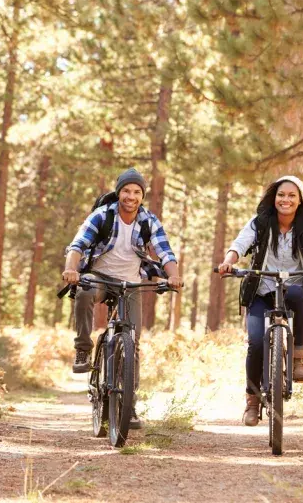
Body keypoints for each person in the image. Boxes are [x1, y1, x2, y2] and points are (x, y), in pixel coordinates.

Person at [62, 168, 183, 429]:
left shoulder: (148, 220)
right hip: (100, 277)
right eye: (127, 191)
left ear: (142, 196)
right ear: (119, 193)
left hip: (130, 283)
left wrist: (173, 276)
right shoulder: (102, 215)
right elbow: (78, 244)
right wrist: (72, 269)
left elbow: (165, 252)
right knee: (83, 292)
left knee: (133, 342)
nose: (131, 196)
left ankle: (130, 405)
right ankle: (83, 349)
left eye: (137, 192)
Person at [217, 175, 303, 426]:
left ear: (299, 201)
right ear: (274, 198)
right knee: (255, 343)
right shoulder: (260, 223)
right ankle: (252, 400)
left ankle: (297, 358)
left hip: (291, 287)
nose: (286, 199)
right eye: (281, 195)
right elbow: (239, 245)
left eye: (292, 195)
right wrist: (229, 262)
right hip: (261, 289)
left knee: (297, 293)